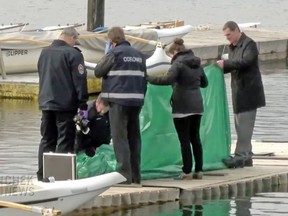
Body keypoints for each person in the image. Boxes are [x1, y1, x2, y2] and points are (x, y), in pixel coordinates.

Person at [147, 38, 208, 180]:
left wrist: (149, 78)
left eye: (169, 55)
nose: (170, 58)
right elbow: (205, 83)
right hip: (197, 106)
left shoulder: (177, 63)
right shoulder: (197, 63)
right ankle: (199, 170)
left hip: (182, 106)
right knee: (195, 138)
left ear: (175, 52)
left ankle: (186, 171)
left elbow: (167, 79)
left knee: (184, 140)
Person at [94, 26, 147, 185]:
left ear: (112, 41)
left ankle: (124, 175)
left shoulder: (114, 54)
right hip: (136, 101)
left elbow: (98, 71)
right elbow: (144, 78)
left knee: (120, 138)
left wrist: (106, 54)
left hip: (118, 101)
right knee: (134, 138)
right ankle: (136, 175)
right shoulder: (139, 55)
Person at [37, 27, 88, 181]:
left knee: (47, 139)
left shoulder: (44, 52)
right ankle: (58, 177)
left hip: (46, 103)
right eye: (75, 40)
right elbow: (80, 81)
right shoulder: (73, 54)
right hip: (65, 105)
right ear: (72, 38)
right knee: (64, 140)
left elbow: (41, 74)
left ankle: (42, 175)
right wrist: (83, 105)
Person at [216, 21, 266, 168]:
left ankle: (240, 156)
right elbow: (233, 64)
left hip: (249, 92)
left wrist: (226, 64)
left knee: (244, 126)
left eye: (229, 35)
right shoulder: (233, 47)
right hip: (238, 91)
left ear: (237, 30)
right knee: (240, 125)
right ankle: (247, 156)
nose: (227, 38)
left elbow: (246, 62)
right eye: (225, 36)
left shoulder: (249, 44)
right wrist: (219, 67)